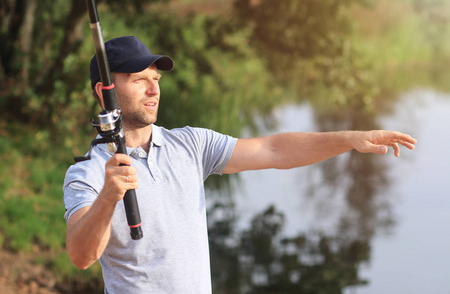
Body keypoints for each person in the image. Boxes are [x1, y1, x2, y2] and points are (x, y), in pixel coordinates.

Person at [63, 36, 417, 293]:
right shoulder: (88, 173)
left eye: (156, 79)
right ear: (104, 92)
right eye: (139, 79)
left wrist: (349, 140)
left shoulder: (190, 144)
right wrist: (109, 196)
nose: (153, 90)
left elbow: (275, 150)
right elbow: (81, 256)